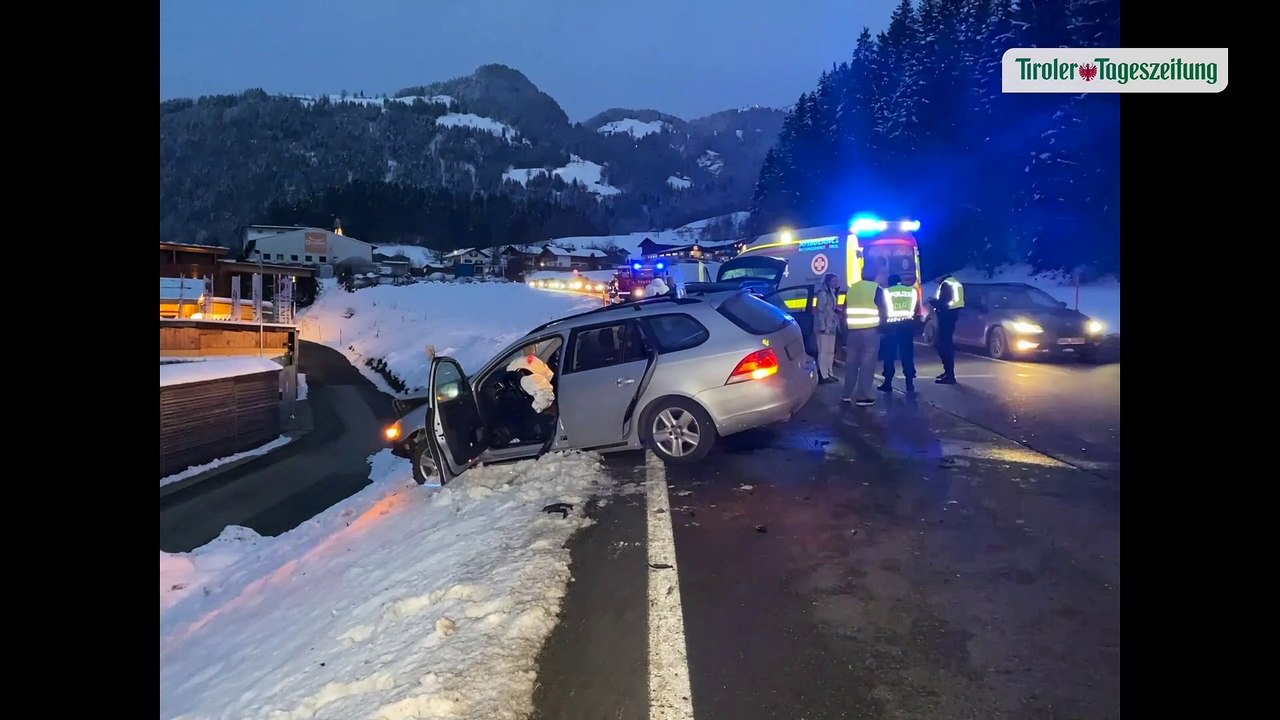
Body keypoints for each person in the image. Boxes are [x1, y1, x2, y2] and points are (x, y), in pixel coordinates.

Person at [841, 267, 889, 406]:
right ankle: (863, 396)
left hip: (852, 331)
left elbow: (844, 312)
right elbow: (883, 310)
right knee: (867, 364)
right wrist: (883, 328)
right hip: (870, 331)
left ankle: (846, 394)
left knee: (851, 363)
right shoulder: (877, 289)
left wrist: (845, 331)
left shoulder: (852, 289)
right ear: (875, 275)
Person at [879, 273, 923, 394]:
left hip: (891, 328)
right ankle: (910, 384)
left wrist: (881, 327)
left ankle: (887, 383)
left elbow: (882, 310)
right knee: (907, 356)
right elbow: (916, 309)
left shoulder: (886, 292)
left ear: (890, 282)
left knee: (889, 356)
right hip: (907, 327)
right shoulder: (911, 291)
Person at [929, 273, 965, 384]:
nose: (935, 279)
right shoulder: (955, 282)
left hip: (946, 317)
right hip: (951, 316)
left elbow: (944, 303)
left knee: (944, 347)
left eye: (936, 276)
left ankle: (950, 375)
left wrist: (932, 302)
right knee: (945, 345)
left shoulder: (946, 284)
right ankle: (948, 372)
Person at [815, 273, 842, 384]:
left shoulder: (832, 292)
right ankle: (823, 374)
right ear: (828, 281)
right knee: (823, 351)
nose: (836, 283)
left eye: (837, 281)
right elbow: (820, 311)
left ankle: (829, 372)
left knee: (830, 351)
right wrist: (822, 326)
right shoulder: (823, 293)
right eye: (834, 281)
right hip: (824, 327)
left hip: (831, 326)